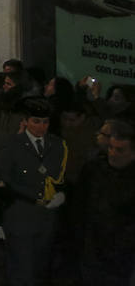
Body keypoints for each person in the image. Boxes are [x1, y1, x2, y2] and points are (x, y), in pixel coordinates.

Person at [0, 97, 68, 286]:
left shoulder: (57, 145)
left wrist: (61, 193)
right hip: (20, 213)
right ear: (26, 121)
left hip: (47, 217)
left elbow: (60, 176)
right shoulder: (12, 144)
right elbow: (3, 182)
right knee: (21, 270)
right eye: (36, 121)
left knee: (41, 268)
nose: (41, 126)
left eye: (45, 122)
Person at [74, 121, 135, 285]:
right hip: (91, 249)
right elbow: (80, 204)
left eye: (120, 150)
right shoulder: (95, 169)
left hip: (120, 257)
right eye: (111, 148)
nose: (113, 153)